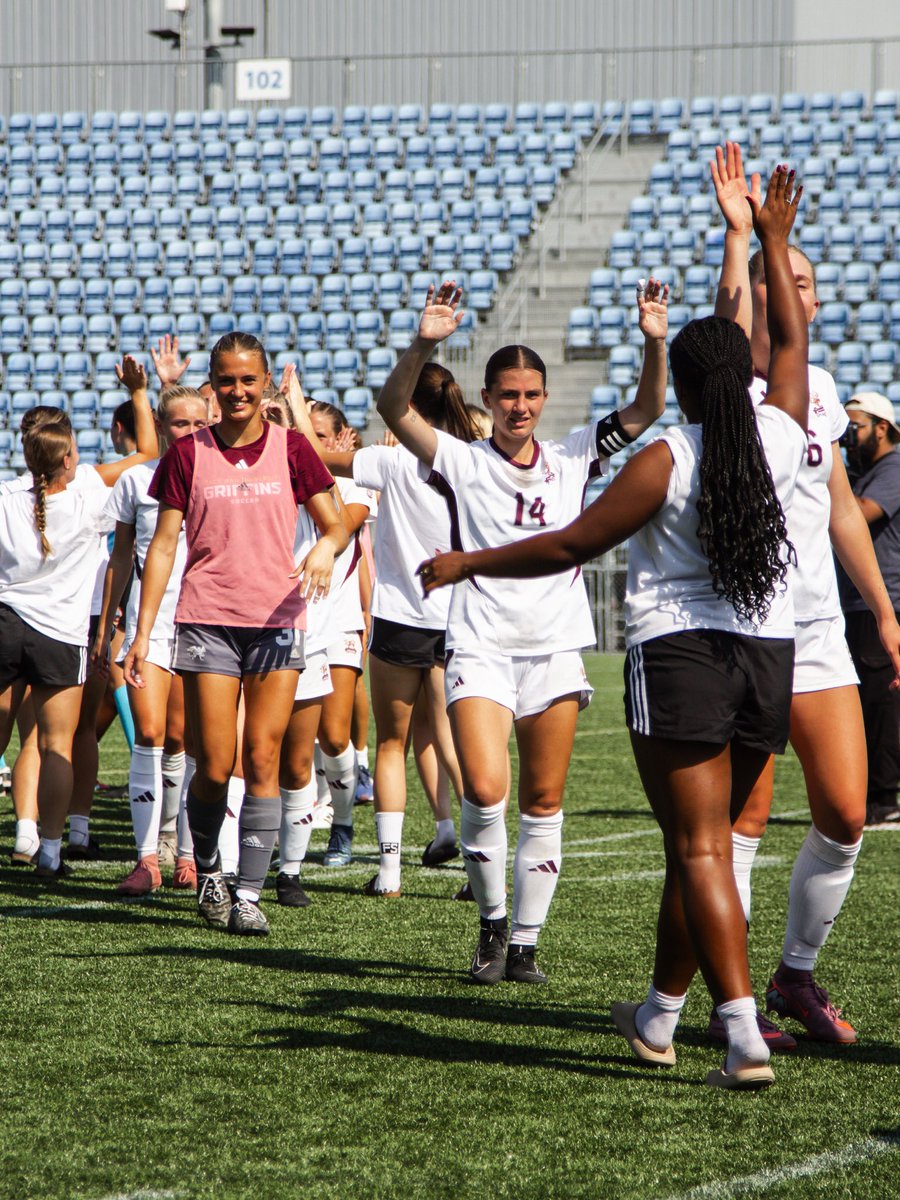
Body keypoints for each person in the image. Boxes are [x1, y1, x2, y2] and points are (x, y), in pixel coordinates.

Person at [419, 166, 810, 1089]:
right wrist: (771, 241)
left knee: (699, 848)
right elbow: (790, 338)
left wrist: (467, 561)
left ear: (686, 383)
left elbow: (564, 547)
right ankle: (659, 1016)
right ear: (747, 375)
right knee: (707, 848)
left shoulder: (668, 455)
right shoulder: (788, 432)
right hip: (769, 658)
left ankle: (744, 1034)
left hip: (680, 658)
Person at [377, 277, 668, 981]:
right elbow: (393, 407)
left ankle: (527, 945)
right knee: (482, 787)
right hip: (479, 644)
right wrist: (424, 342)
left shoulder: (574, 456)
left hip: (554, 650)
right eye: (507, 394)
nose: (520, 406)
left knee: (543, 801)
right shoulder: (462, 459)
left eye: (531, 394)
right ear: (486, 400)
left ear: (544, 399)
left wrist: (653, 340)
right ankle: (492, 925)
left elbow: (649, 408)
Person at [711, 143, 900, 1045]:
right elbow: (730, 307)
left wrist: (888, 611)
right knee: (743, 819)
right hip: (747, 625)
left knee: (847, 815)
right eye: (777, 279)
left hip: (821, 626)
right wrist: (742, 239)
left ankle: (794, 976)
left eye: (807, 281)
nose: (796, 293)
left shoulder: (822, 390)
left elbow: (838, 511)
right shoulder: (728, 384)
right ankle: (731, 1000)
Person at [124, 332, 348, 936]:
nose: (239, 391)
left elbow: (338, 522)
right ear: (215, 385)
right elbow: (164, 546)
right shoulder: (187, 454)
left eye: (250, 380)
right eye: (227, 380)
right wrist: (144, 632)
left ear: (266, 381)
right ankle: (212, 870)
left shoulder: (295, 448)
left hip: (277, 621)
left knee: (262, 760)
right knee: (215, 764)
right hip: (207, 621)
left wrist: (326, 548)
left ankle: (249, 892)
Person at [319, 362, 480, 896]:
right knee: (457, 747)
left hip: (399, 620)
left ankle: (389, 873)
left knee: (392, 745)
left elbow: (315, 453)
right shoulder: (474, 460)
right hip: (458, 620)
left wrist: (294, 406)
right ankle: (479, 872)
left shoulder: (390, 459)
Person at [0, 376, 155, 880]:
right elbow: (148, 452)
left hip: (5, 625)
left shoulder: (5, 496)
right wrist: (139, 392)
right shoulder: (90, 489)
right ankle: (50, 852)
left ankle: (30, 837)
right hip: (61, 635)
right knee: (56, 746)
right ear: (68, 457)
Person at [93, 385, 210, 896]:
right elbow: (121, 556)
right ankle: (146, 860)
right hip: (148, 627)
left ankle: (186, 855)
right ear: (161, 427)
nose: (189, 432)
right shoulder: (136, 480)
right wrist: (106, 625)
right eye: (179, 424)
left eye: (197, 423)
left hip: (205, 623)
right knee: (149, 732)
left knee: (186, 740)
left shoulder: (220, 476)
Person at [839, 392, 900, 825]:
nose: (846, 438)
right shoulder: (860, 474)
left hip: (883, 602)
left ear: (882, 427)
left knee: (881, 704)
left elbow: (858, 515)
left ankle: (884, 800)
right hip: (857, 603)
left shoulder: (893, 468)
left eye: (855, 427)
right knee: (864, 703)